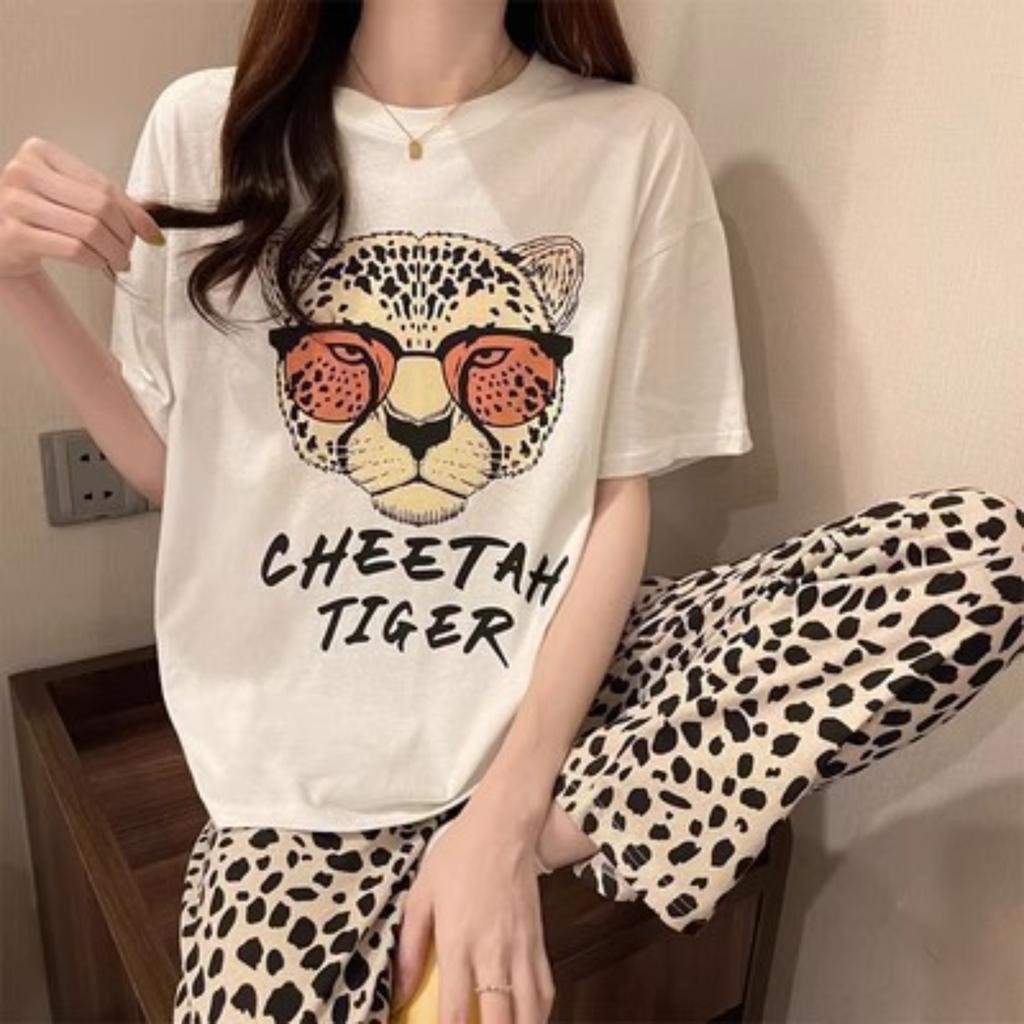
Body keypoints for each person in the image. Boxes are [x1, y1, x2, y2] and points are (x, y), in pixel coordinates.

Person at [1, 1, 1021, 1022]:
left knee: (970, 558)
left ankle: (534, 838)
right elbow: (185, 477)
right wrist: (20, 285)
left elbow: (614, 493)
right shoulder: (210, 128)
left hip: (556, 675)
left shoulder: (629, 143)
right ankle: (570, 826)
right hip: (300, 777)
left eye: (485, 365)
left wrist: (507, 821)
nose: (416, 417)